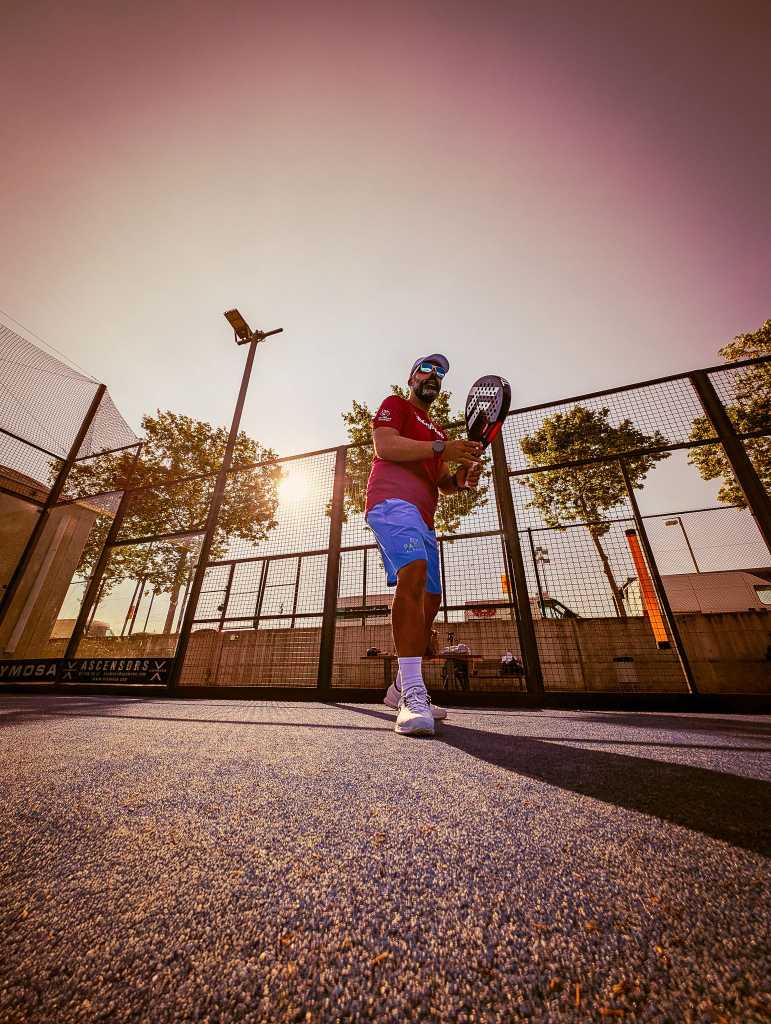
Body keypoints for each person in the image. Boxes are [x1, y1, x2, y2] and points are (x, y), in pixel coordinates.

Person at [365, 354, 483, 736]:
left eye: (441, 373)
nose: (435, 376)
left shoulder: (438, 433)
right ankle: (413, 695)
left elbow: (444, 484)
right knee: (412, 573)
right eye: (427, 369)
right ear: (412, 377)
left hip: (424, 515)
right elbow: (386, 447)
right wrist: (439, 450)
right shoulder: (395, 405)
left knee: (431, 599)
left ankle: (400, 684)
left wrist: (463, 479)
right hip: (390, 502)